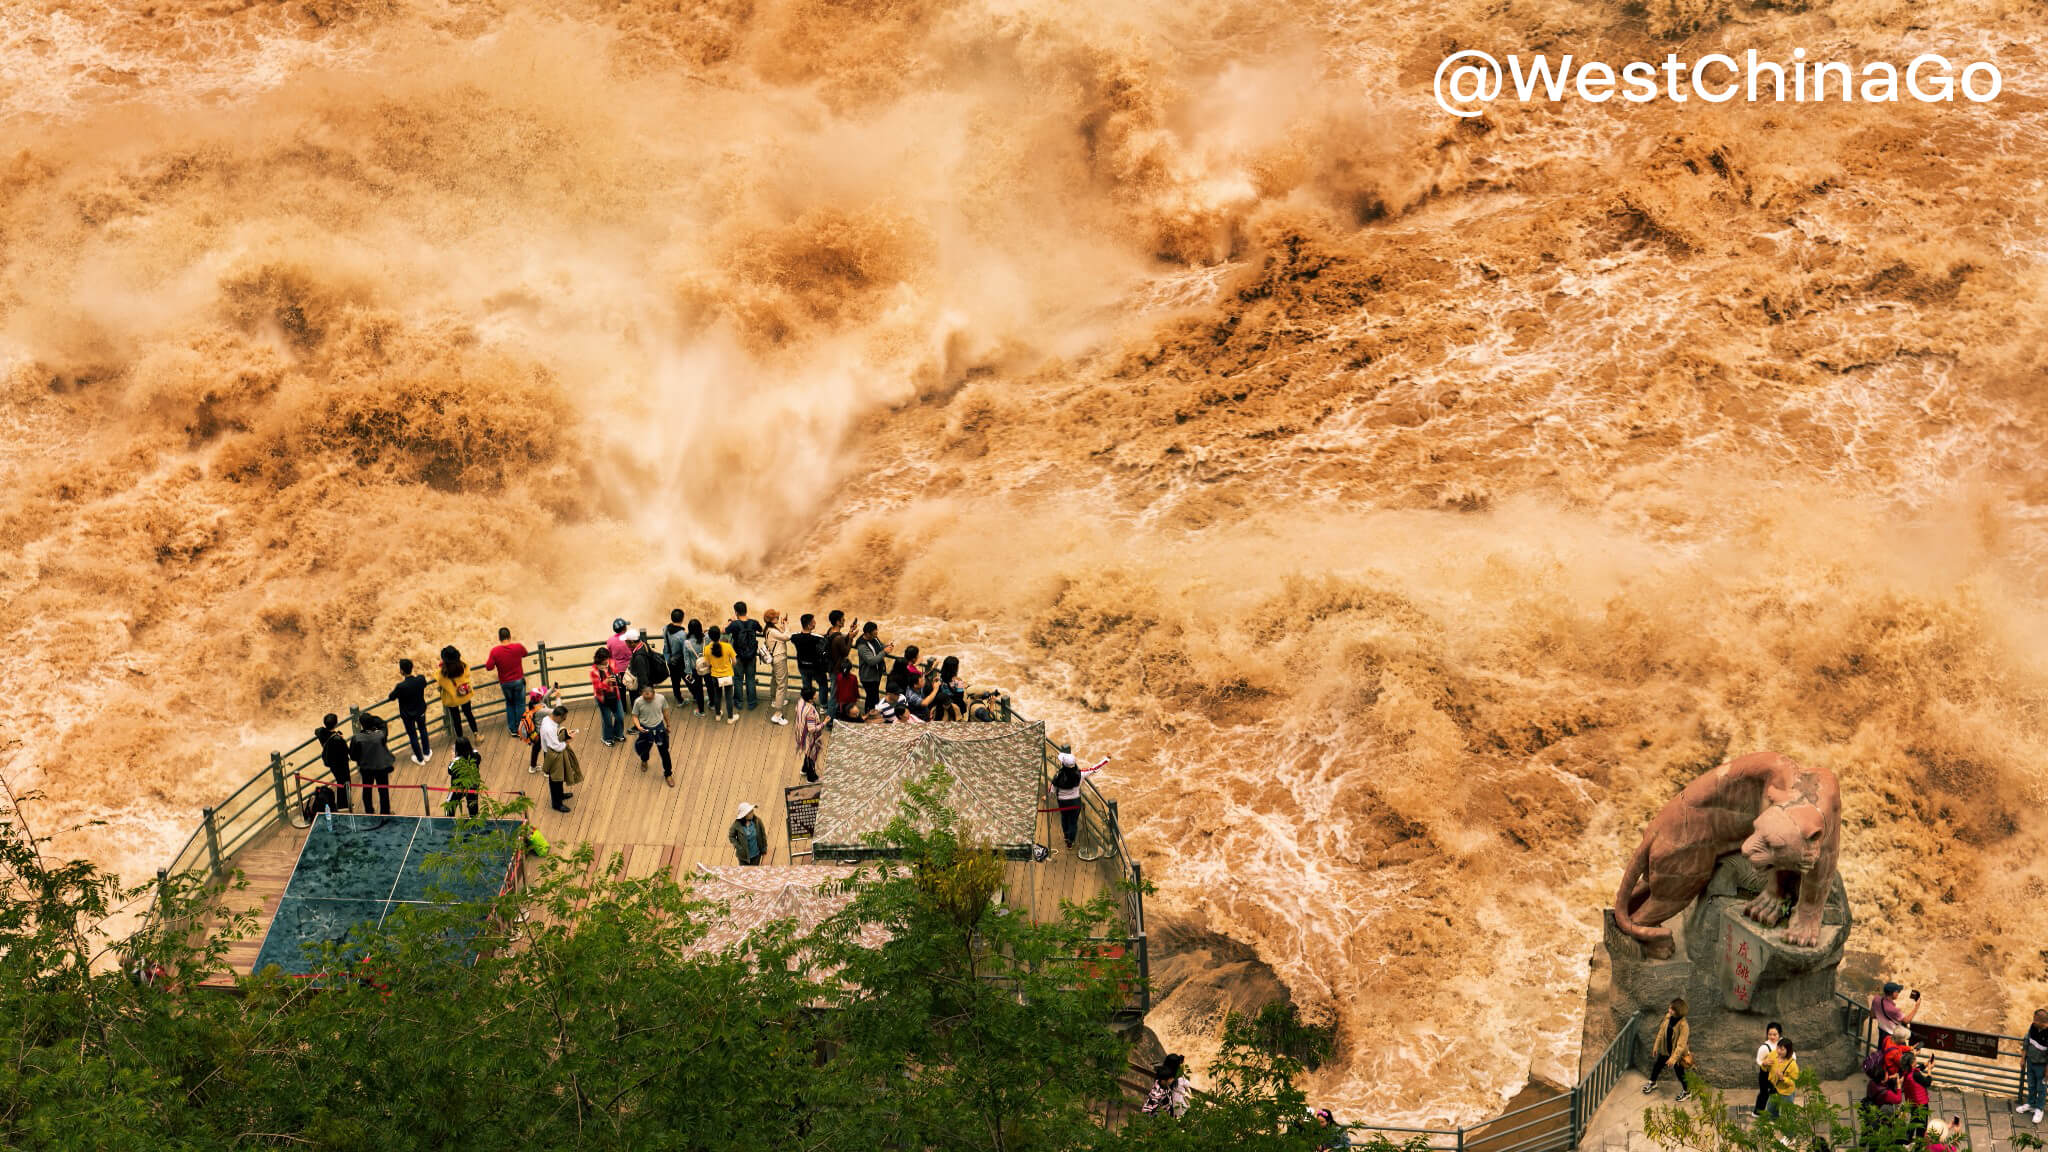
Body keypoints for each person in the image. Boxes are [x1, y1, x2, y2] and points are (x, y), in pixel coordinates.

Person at [481, 628, 529, 736]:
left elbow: (489, 667)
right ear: (509, 636)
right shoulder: (518, 647)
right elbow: (525, 653)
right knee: (520, 704)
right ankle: (521, 729)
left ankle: (513, 729)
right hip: (518, 681)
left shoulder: (495, 651)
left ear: (499, 638)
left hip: (506, 683)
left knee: (510, 704)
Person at [1642, 998, 1693, 1101]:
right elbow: (1661, 1032)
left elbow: (1681, 1045)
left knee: (1680, 1073)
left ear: (1678, 1011)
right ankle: (1652, 1082)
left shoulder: (1684, 1026)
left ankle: (1687, 1092)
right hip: (1666, 1050)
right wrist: (1656, 1046)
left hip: (1677, 1054)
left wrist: (1673, 1059)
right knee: (1657, 1066)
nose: (1669, 1010)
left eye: (1672, 1009)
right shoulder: (1668, 1017)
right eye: (1670, 1007)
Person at [386, 659, 433, 765]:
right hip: (420, 711)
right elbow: (424, 684)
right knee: (423, 730)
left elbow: (391, 697)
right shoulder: (420, 679)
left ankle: (420, 759)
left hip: (407, 715)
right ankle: (426, 753)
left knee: (413, 735)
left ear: (401, 671)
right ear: (412, 668)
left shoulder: (400, 686)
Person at [349, 713, 396, 815]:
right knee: (383, 791)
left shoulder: (356, 738)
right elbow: (383, 724)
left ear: (361, 725)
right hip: (381, 767)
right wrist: (374, 719)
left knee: (367, 790)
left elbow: (353, 756)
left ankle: (369, 812)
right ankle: (385, 812)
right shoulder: (380, 735)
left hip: (366, 768)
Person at [436, 646, 481, 745]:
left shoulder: (442, 673)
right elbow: (467, 674)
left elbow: (438, 679)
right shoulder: (463, 666)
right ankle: (476, 735)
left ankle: (461, 740)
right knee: (469, 714)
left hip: (452, 700)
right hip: (464, 695)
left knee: (456, 719)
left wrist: (441, 666)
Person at [630, 685, 674, 787]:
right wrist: (638, 726)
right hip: (645, 729)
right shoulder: (638, 702)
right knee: (645, 748)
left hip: (659, 728)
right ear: (642, 695)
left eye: (650, 698)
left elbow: (665, 711)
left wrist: (668, 725)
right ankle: (644, 760)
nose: (648, 700)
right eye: (646, 698)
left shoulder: (661, 698)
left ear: (654, 694)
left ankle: (668, 774)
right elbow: (635, 716)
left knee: (664, 752)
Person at [539, 705, 580, 813]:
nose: (564, 720)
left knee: (558, 776)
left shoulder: (547, 719)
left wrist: (565, 734)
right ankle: (556, 803)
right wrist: (567, 741)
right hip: (552, 754)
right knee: (555, 779)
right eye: (563, 718)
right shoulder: (549, 729)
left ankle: (560, 795)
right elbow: (555, 746)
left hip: (551, 751)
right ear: (558, 716)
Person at [726, 602, 763, 711]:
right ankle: (752, 703)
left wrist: (730, 621)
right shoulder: (754, 623)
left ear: (736, 612)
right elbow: (761, 629)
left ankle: (739, 703)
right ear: (746, 610)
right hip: (751, 656)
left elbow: (724, 630)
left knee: (738, 679)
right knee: (750, 679)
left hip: (738, 656)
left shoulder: (734, 624)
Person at [315, 714, 355, 811]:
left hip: (332, 764)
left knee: (339, 781)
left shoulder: (321, 732)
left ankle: (342, 804)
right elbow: (347, 752)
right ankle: (343, 805)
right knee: (345, 783)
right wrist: (341, 737)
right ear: (336, 723)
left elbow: (316, 730)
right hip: (341, 765)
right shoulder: (338, 740)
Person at [792, 614, 829, 713]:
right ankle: (823, 706)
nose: (815, 623)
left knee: (806, 686)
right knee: (822, 684)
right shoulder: (817, 638)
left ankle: (808, 705)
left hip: (802, 666)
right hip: (816, 667)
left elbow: (792, 636)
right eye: (813, 621)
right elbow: (825, 641)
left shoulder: (795, 637)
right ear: (809, 625)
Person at [1051, 747, 1083, 857]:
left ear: (1063, 765)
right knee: (1073, 822)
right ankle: (1070, 842)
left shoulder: (1058, 775)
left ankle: (1066, 836)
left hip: (1063, 803)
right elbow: (1094, 769)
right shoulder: (1080, 774)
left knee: (1064, 818)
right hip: (1075, 803)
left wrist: (1048, 796)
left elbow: (1053, 789)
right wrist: (1106, 760)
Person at [590, 650, 626, 746]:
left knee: (620, 716)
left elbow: (617, 673)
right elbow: (597, 688)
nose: (607, 662)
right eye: (605, 660)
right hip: (602, 698)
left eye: (607, 659)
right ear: (599, 660)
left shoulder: (612, 663)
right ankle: (607, 737)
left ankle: (618, 734)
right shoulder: (594, 671)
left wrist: (617, 678)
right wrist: (606, 681)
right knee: (607, 719)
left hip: (615, 695)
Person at [762, 610, 792, 725]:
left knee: (775, 679)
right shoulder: (773, 631)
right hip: (779, 659)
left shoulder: (769, 629)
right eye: (776, 617)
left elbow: (782, 635)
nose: (778, 618)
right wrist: (787, 625)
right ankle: (778, 714)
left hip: (775, 658)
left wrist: (783, 625)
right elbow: (787, 636)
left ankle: (775, 700)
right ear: (771, 619)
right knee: (782, 685)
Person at [518, 685, 557, 773]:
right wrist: (558, 699)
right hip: (542, 734)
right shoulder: (541, 710)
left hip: (535, 734)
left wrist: (552, 689)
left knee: (536, 750)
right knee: (546, 750)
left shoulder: (534, 705)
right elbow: (555, 711)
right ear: (539, 698)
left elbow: (544, 696)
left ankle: (532, 767)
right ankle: (547, 771)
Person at [704, 625, 738, 723]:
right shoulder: (727, 646)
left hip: (715, 676)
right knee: (728, 697)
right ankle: (730, 718)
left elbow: (707, 664)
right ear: (720, 635)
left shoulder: (707, 649)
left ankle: (718, 715)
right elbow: (735, 661)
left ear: (710, 637)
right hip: (727, 675)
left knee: (717, 696)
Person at [2020, 1008, 2048, 1124]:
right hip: (2030, 1062)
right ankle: (2031, 1104)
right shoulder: (2033, 1027)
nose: (2033, 1021)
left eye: (2035, 1020)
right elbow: (2026, 1041)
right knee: (2031, 1085)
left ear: (2042, 1022)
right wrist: (2023, 1058)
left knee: (2041, 1089)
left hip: (2042, 1066)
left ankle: (2039, 1109)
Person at [795, 683, 828, 783]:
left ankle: (804, 769)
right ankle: (811, 777)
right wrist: (824, 723)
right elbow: (812, 729)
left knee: (808, 752)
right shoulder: (810, 712)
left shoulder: (800, 702)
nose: (816, 695)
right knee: (812, 755)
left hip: (801, 733)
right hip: (810, 737)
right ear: (810, 699)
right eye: (814, 694)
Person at [1141, 1053, 1191, 1118]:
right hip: (1163, 1117)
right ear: (1164, 1080)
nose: (1173, 1079)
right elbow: (1148, 1107)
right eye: (1171, 1078)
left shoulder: (1164, 1081)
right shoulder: (1158, 1092)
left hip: (1168, 1113)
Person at [855, 621, 890, 711]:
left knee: (872, 697)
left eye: (876, 633)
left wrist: (887, 647)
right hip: (868, 677)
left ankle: (869, 714)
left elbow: (880, 646)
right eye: (874, 634)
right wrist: (884, 652)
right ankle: (870, 715)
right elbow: (871, 661)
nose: (876, 636)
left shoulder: (874, 638)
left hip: (876, 675)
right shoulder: (862, 646)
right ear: (867, 634)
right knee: (873, 699)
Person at [628, 631, 669, 703]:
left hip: (643, 688)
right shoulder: (643, 644)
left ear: (631, 642)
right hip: (649, 683)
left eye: (626, 642)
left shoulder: (639, 657)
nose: (625, 644)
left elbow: (642, 675)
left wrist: (643, 693)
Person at [444, 737, 481, 817]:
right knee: (473, 806)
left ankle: (448, 822)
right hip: (473, 785)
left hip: (458, 788)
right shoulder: (476, 755)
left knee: (449, 806)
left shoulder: (456, 762)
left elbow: (450, 771)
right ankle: (474, 822)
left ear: (458, 749)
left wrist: (453, 758)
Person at [663, 610, 693, 707]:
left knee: (675, 681)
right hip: (680, 661)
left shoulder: (665, 629)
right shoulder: (682, 634)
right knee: (689, 679)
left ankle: (679, 700)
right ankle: (696, 695)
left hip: (669, 659)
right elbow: (685, 650)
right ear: (682, 618)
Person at [1763, 1039, 1799, 1117]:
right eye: (1778, 1048)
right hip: (1774, 1089)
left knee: (1787, 1115)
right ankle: (1774, 1125)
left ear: (1788, 1050)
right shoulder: (1772, 1055)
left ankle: (1788, 1129)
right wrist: (1764, 1064)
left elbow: (1793, 1082)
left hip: (1786, 1093)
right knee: (1770, 1111)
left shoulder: (1792, 1065)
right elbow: (1765, 1069)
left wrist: (1783, 1078)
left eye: (1782, 1049)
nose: (1779, 1051)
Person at [1754, 1022, 1782, 1112]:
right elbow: (1758, 1060)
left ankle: (1774, 1113)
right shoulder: (1765, 1047)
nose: (1772, 1037)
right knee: (1764, 1094)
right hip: (1765, 1074)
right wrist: (1764, 1063)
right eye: (1770, 1034)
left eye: (1775, 1034)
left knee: (1776, 1092)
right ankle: (1758, 1112)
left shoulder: (1783, 1044)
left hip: (1778, 1073)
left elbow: (1792, 1055)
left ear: (1779, 1034)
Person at [931, 656, 966, 720]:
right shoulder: (958, 681)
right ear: (955, 668)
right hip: (954, 706)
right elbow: (960, 697)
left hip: (942, 703)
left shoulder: (940, 678)